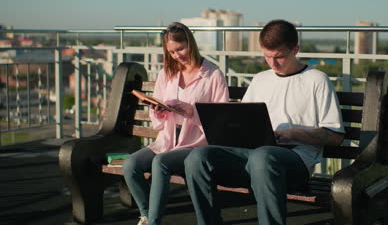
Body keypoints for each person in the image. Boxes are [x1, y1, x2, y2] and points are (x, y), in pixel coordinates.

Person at [184, 19, 345, 225]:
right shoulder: (260, 79)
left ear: (295, 49)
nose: (273, 63)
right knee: (198, 157)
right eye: (267, 56)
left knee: (263, 155)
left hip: (295, 160)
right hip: (252, 155)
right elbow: (242, 120)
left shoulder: (317, 80)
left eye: (279, 57)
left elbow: (335, 136)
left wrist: (291, 133)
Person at [123, 22, 229, 225]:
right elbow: (158, 119)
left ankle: (154, 221)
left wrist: (192, 112)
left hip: (196, 143)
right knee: (130, 165)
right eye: (171, 52)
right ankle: (146, 214)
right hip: (168, 139)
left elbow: (221, 120)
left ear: (191, 43)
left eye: (180, 49)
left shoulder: (213, 75)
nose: (177, 55)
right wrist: (159, 110)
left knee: (160, 162)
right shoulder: (167, 73)